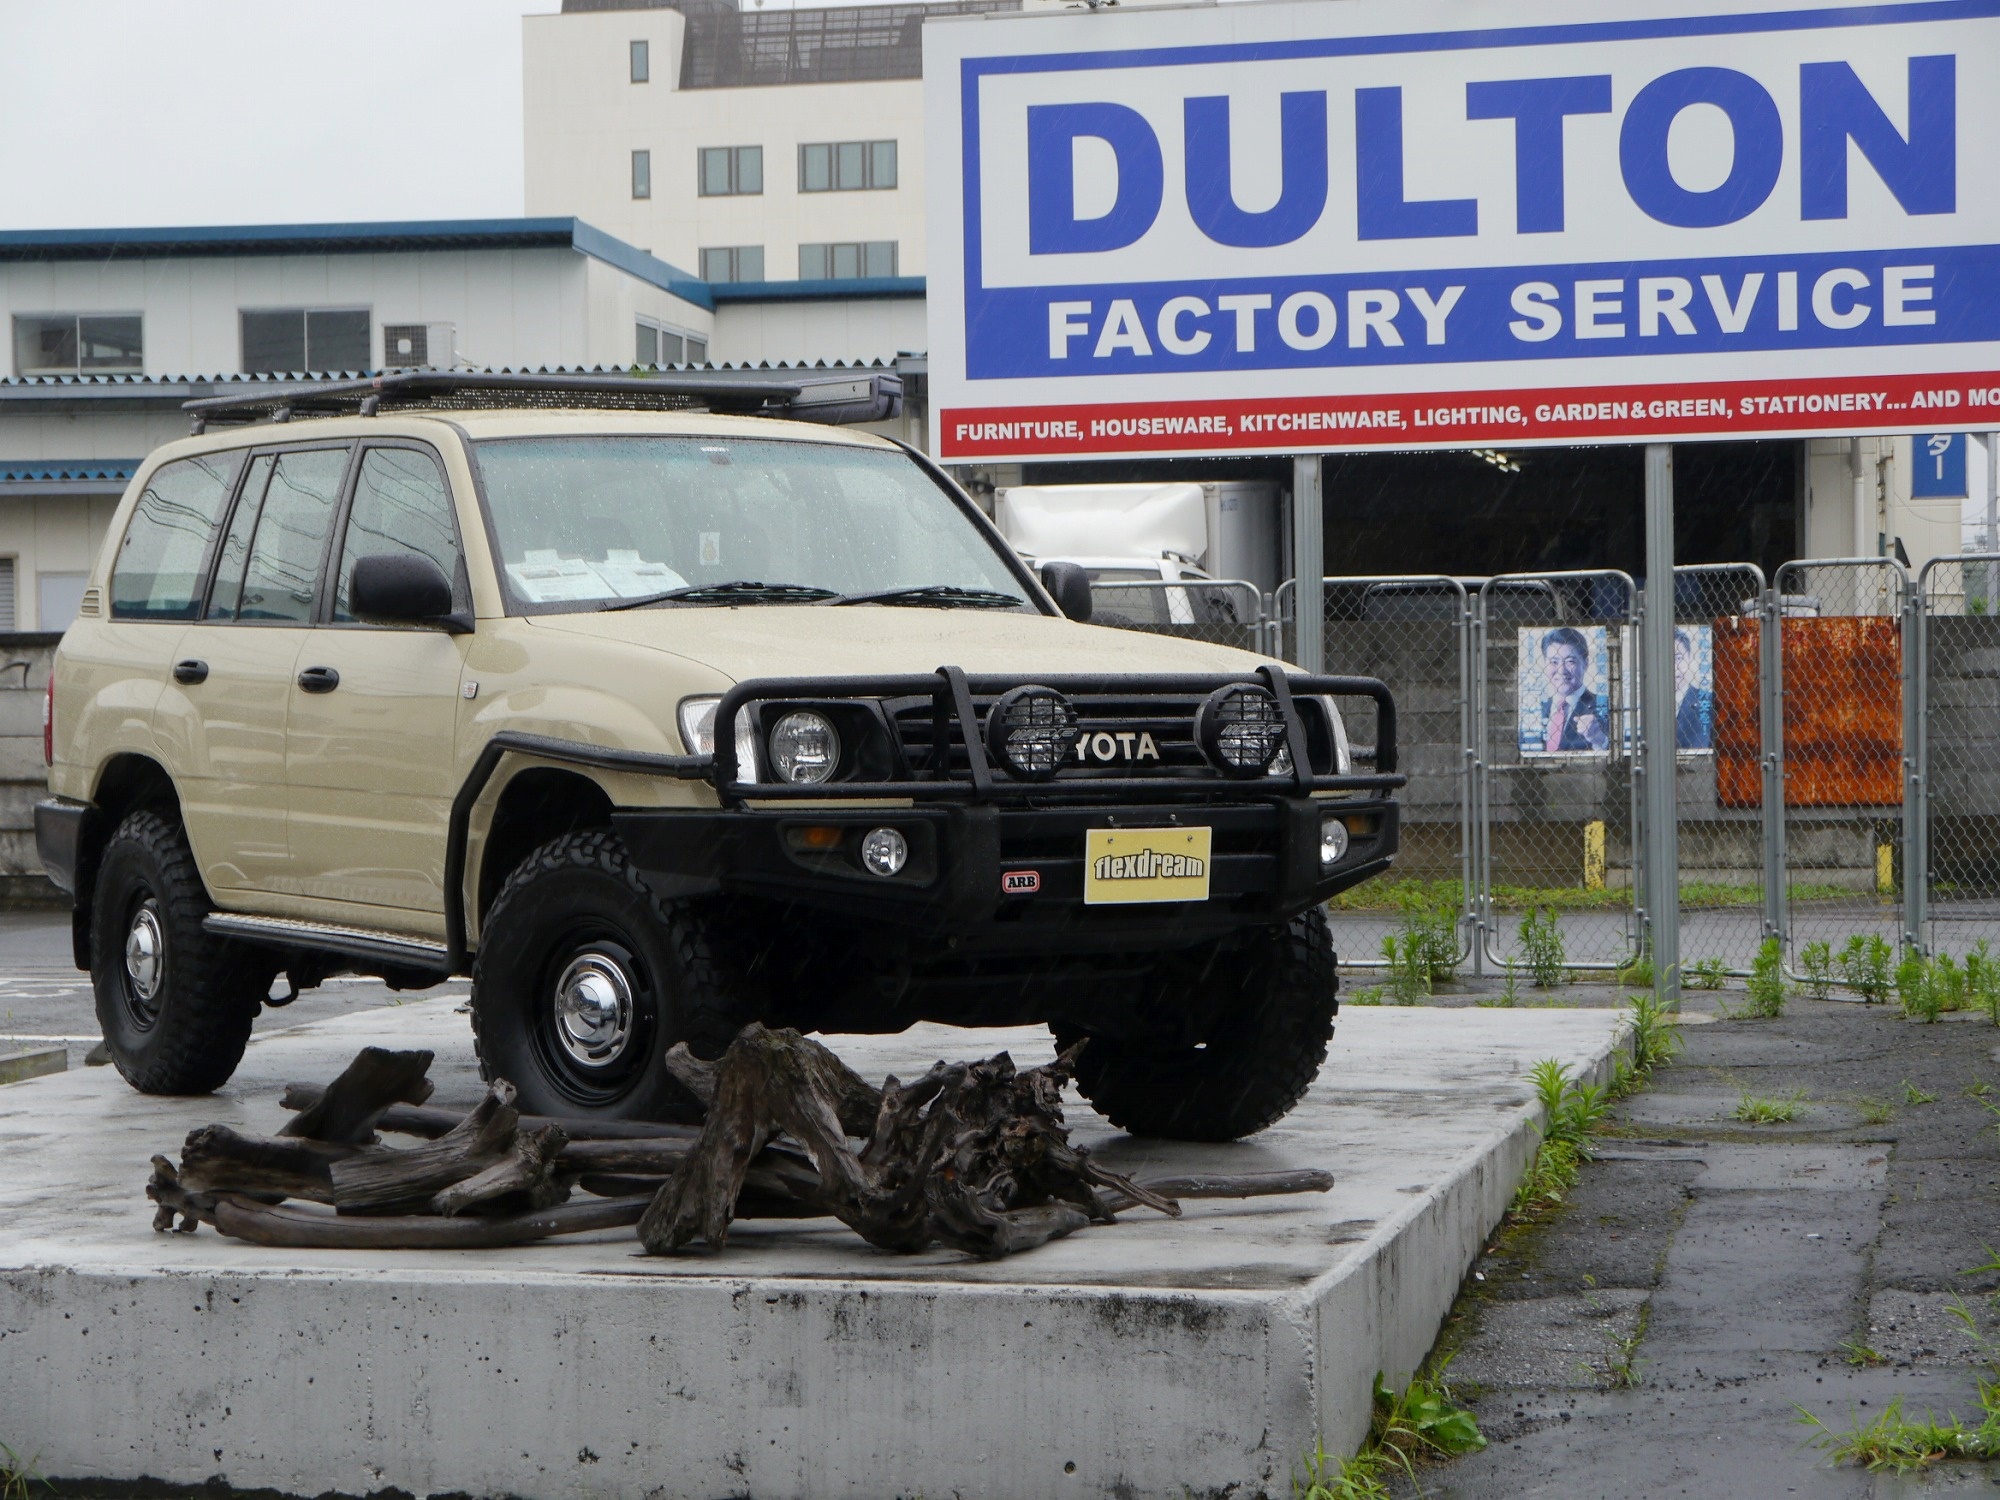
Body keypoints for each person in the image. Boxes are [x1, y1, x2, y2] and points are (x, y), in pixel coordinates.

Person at [1528, 626, 1609, 753]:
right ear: (1544, 663)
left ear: (1585, 663)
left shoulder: (1604, 707)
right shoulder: (1536, 709)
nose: (1561, 671)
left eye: (1570, 661)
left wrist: (1599, 740)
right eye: (1554, 662)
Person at [1674, 627, 1714, 750]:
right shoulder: (1647, 704)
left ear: (1689, 658)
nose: (1673, 666)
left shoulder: (1709, 701)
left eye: (1678, 658)